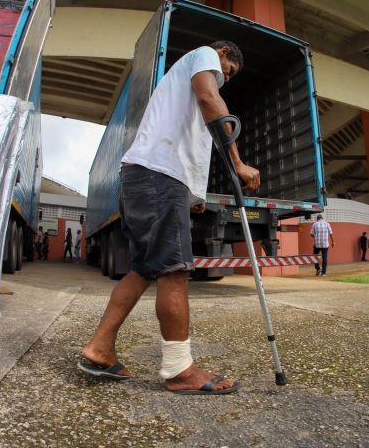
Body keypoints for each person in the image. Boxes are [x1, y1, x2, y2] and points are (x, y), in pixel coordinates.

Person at [79, 41, 257, 395]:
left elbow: (188, 132)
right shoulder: (205, 55)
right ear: (223, 52)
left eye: (229, 77)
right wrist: (238, 163)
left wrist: (193, 195)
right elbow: (210, 100)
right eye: (228, 71)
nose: (224, 79)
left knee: (145, 267)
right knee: (175, 270)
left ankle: (99, 347)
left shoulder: (187, 80)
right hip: (158, 175)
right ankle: (179, 369)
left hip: (148, 176)